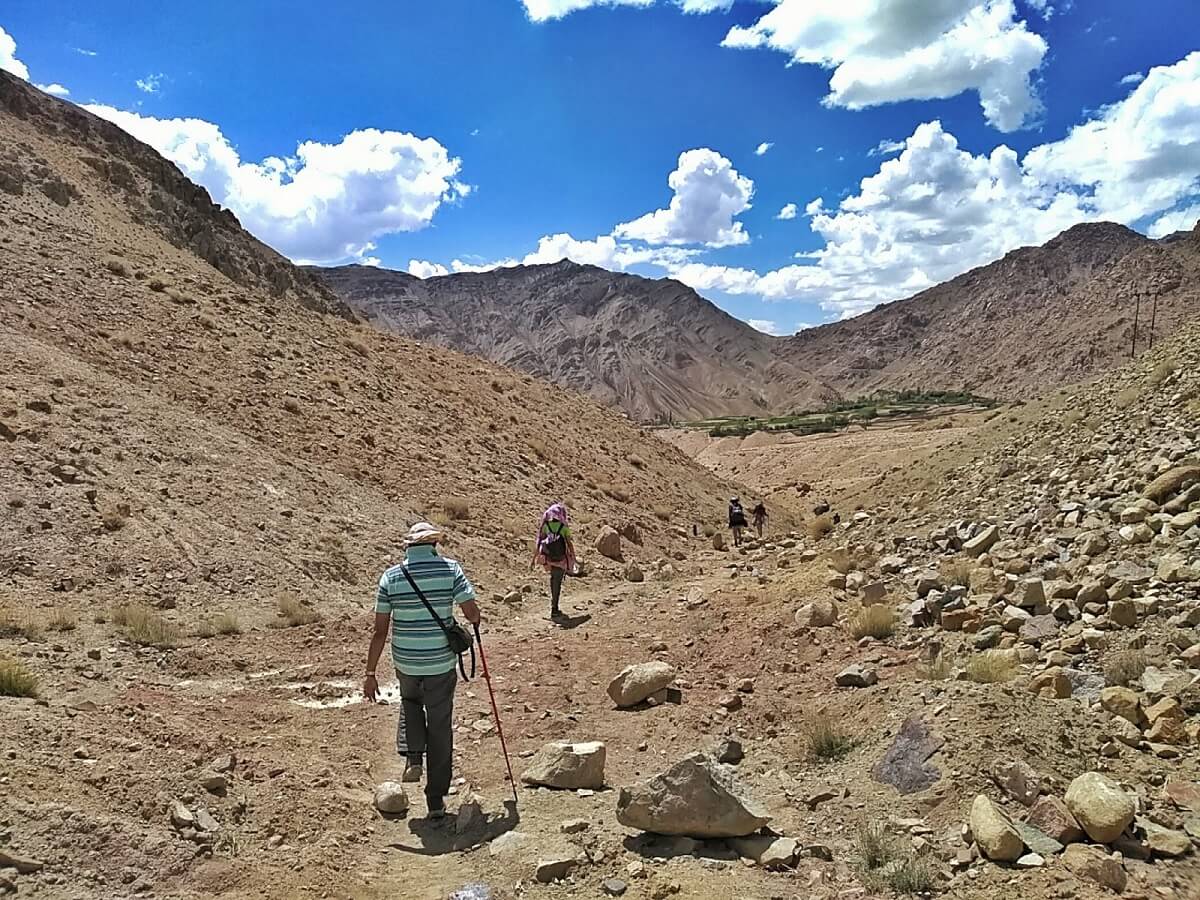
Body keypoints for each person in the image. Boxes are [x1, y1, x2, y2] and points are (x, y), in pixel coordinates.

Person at [364, 521, 481, 820]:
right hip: (440, 662)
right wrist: (471, 620)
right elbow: (471, 612)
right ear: (434, 545)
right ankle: (435, 802)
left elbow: (379, 631)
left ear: (408, 547)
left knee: (411, 703)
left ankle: (414, 756)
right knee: (440, 726)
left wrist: (370, 673)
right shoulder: (451, 569)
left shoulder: (390, 577)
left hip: (406, 661)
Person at [533, 502, 577, 621]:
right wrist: (573, 556)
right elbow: (569, 543)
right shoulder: (563, 527)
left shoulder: (546, 525)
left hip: (548, 558)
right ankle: (554, 609)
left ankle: (554, 607)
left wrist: (534, 558)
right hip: (560, 559)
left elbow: (539, 541)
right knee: (557, 582)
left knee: (553, 581)